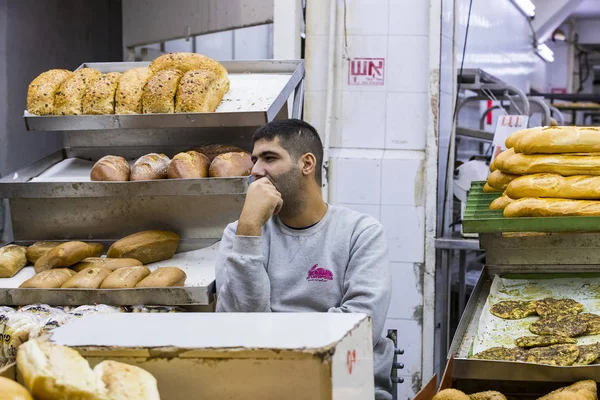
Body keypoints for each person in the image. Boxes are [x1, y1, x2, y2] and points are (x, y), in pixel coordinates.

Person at [215, 118, 394, 399]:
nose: (255, 171)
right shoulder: (239, 234)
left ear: (307, 164)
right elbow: (238, 330)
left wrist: (270, 336)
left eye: (269, 158)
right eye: (254, 160)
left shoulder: (361, 233)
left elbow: (358, 332)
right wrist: (249, 229)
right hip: (260, 387)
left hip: (342, 385)